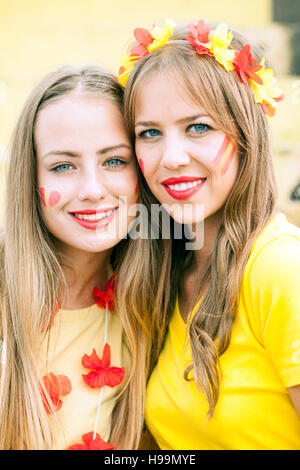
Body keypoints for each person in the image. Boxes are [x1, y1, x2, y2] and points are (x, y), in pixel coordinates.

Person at [120, 19, 300, 449]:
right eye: (150, 133)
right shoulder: (164, 268)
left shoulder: (278, 268)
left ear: (245, 134)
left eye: (198, 127)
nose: (173, 157)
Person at [0, 65, 149, 450]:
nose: (92, 189)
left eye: (114, 160)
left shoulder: (154, 300)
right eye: (62, 166)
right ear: (31, 180)